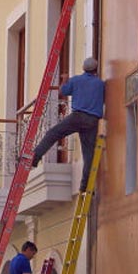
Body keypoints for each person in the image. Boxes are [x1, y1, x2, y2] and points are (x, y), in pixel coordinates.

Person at [32, 58, 105, 192]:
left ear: (84, 68)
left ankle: (35, 156)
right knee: (88, 154)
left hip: (77, 117)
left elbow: (63, 91)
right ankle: (85, 186)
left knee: (53, 133)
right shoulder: (100, 84)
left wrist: (65, 79)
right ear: (96, 69)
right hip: (92, 120)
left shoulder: (76, 80)